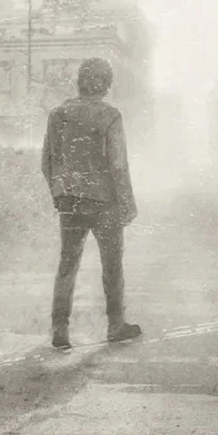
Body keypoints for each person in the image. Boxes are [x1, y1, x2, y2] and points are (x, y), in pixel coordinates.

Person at [40, 57, 142, 349]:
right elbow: (118, 165)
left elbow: (46, 161)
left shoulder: (58, 114)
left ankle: (60, 329)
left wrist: (60, 192)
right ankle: (115, 325)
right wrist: (127, 203)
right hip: (104, 200)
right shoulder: (110, 116)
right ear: (106, 84)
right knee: (112, 264)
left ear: (80, 81)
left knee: (67, 263)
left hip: (69, 199)